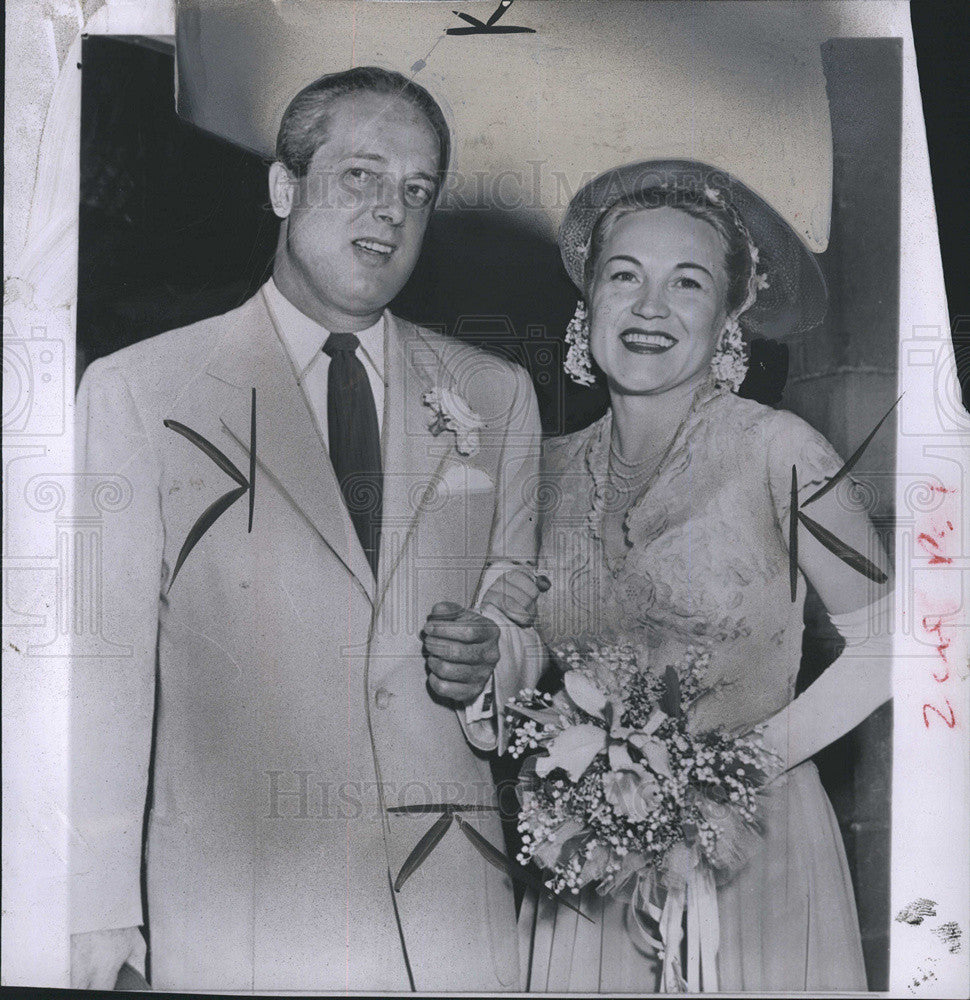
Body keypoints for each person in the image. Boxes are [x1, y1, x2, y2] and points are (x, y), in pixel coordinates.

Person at [70, 66, 542, 992]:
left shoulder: (496, 395)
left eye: (417, 191)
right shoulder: (140, 391)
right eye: (360, 176)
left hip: (448, 919)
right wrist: (98, 911)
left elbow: (519, 612)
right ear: (285, 188)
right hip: (242, 909)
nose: (391, 213)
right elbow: (102, 671)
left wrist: (498, 665)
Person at [506, 160, 893, 992]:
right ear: (589, 305)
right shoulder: (537, 471)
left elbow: (890, 640)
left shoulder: (779, 449)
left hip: (755, 855)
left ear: (726, 319)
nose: (650, 307)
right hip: (594, 867)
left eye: (687, 283)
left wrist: (731, 770)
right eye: (624, 276)